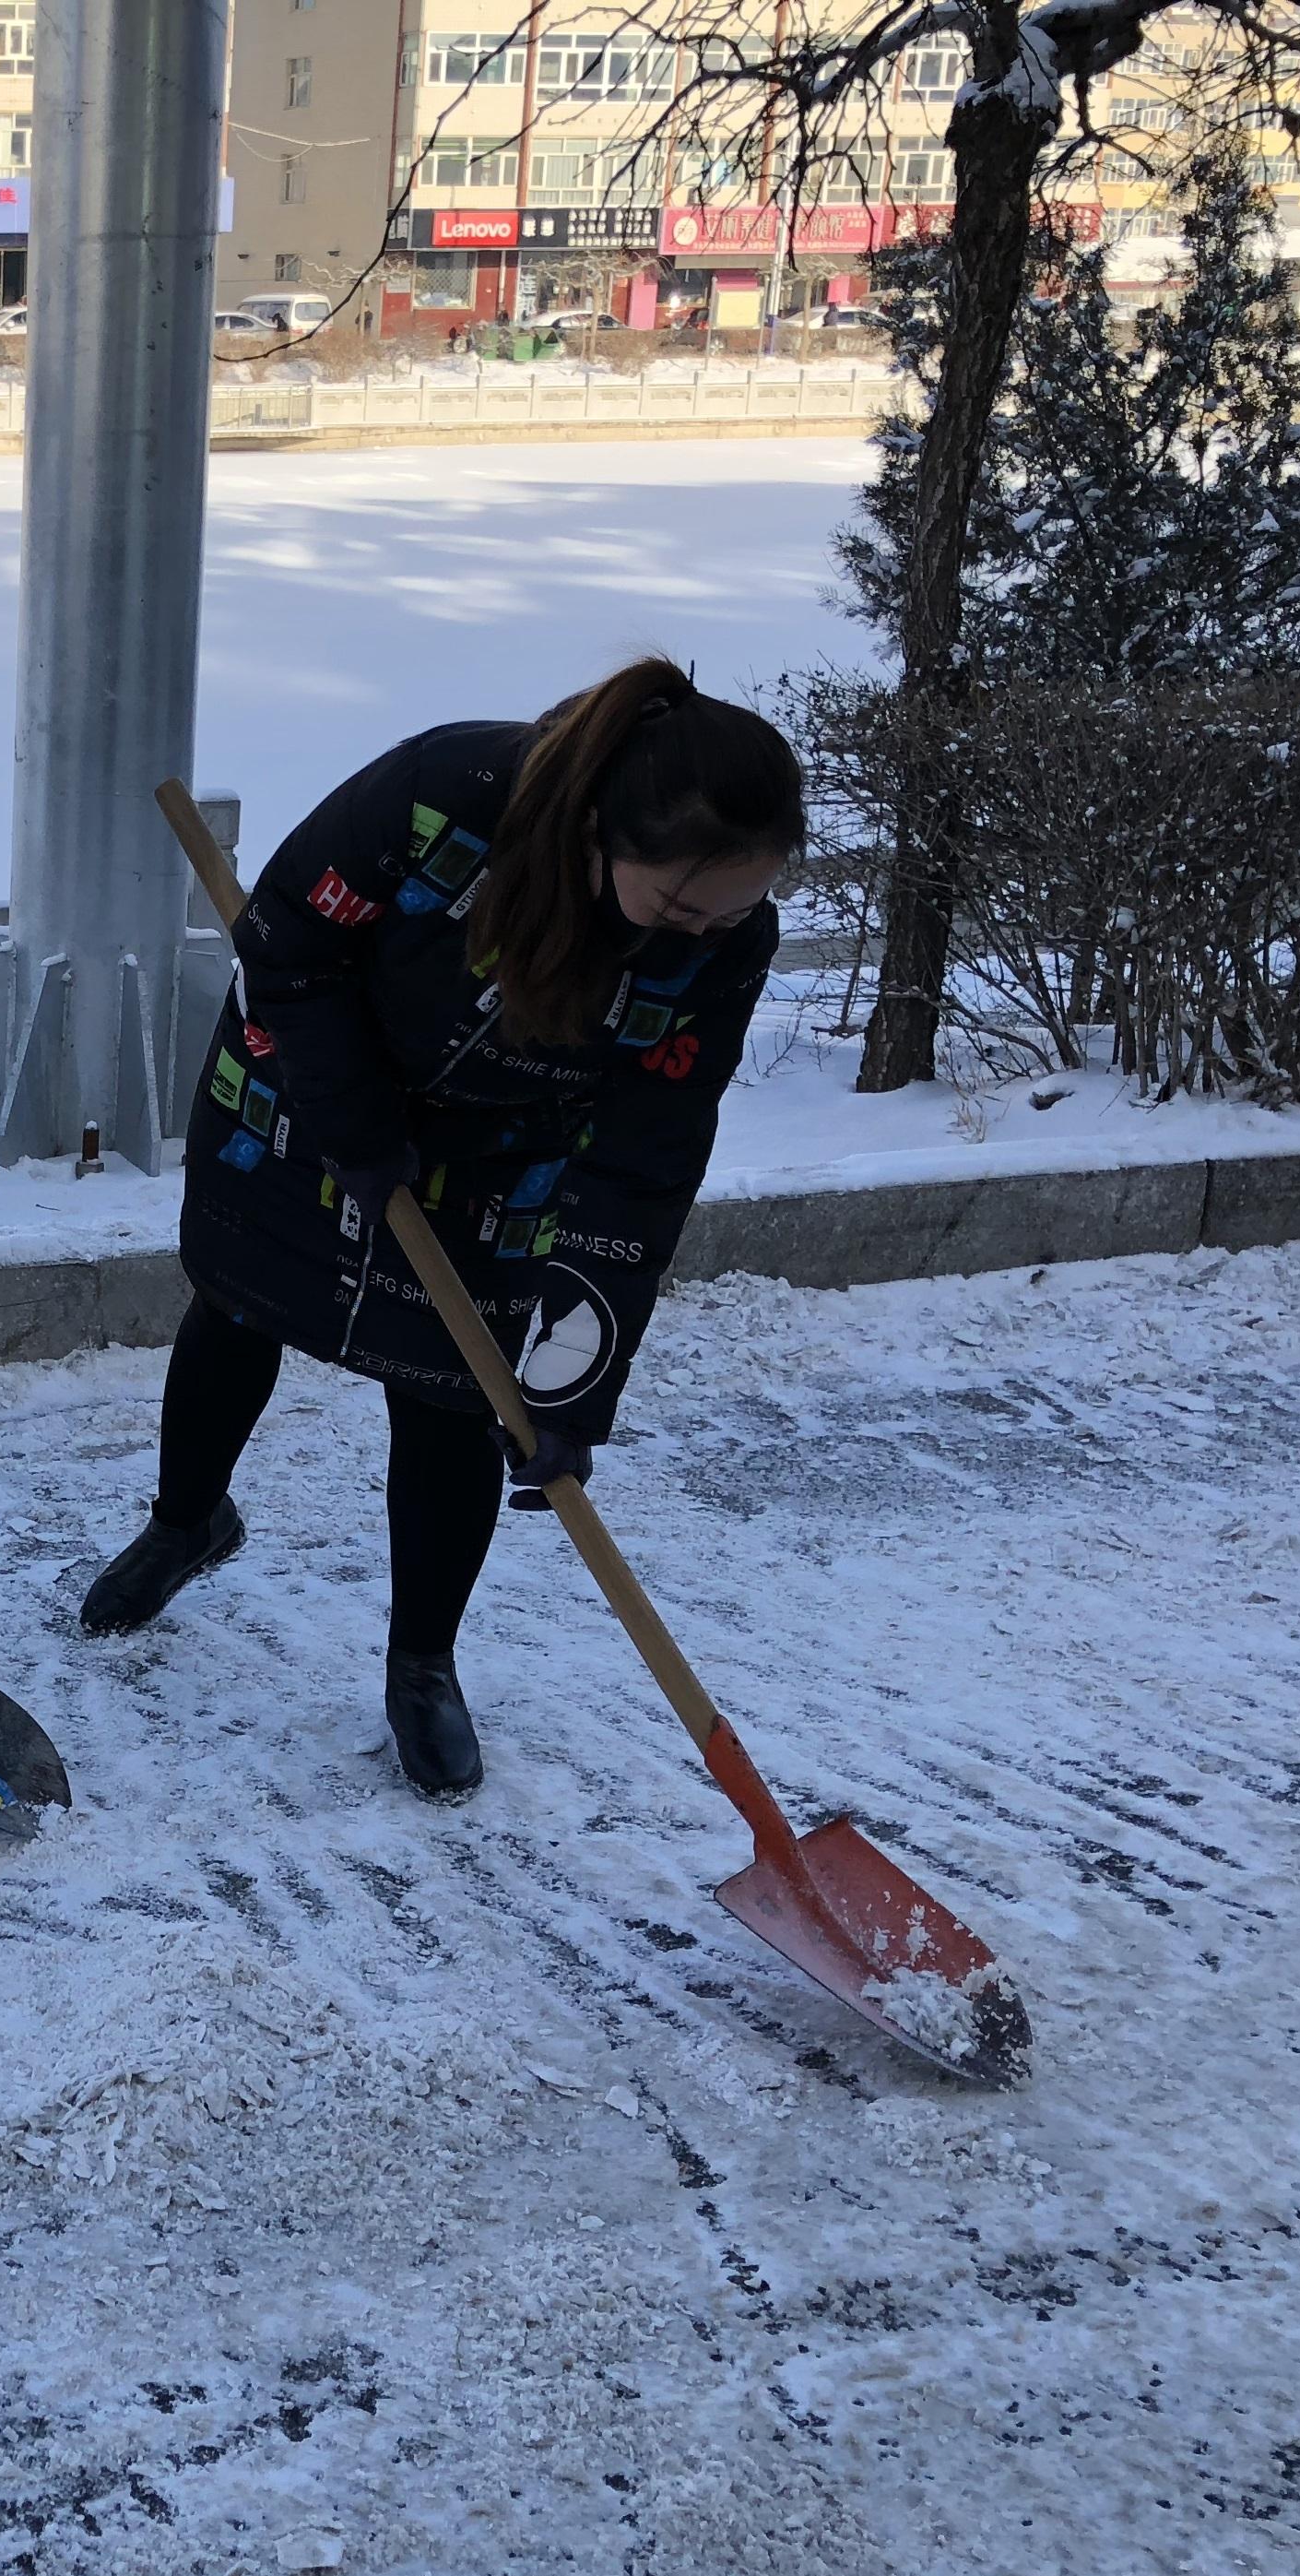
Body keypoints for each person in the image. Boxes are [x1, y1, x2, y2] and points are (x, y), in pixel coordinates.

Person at [80, 657, 801, 1798]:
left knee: (456, 1388)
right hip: (315, 1075)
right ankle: (187, 1521)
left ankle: (423, 1661)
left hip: (513, 1141)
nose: (703, 934)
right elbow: (288, 940)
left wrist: (575, 1383)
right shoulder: (448, 791)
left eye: (734, 909)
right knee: (241, 1299)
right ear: (601, 834)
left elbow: (647, 1153)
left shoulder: (722, 945)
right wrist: (356, 1127)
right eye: (677, 906)